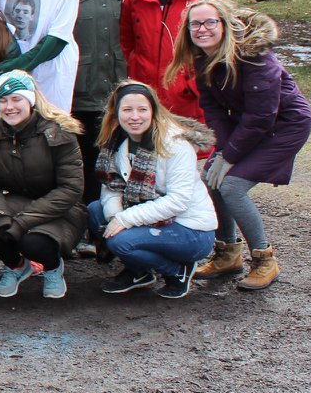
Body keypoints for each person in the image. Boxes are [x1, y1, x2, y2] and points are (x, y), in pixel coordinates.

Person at [171, 0, 311, 291]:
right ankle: (228, 254)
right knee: (211, 179)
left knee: (233, 187)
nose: (202, 29)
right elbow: (213, 109)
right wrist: (222, 150)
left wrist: (232, 156)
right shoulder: (203, 58)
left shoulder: (254, 57)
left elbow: (262, 115)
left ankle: (264, 259)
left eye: (210, 22)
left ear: (224, 24)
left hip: (285, 125)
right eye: (195, 24)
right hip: (248, 126)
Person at [90, 82, 217, 298]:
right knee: (96, 211)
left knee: (120, 241)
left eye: (142, 109)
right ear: (116, 112)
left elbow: (178, 201)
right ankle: (139, 271)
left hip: (189, 228)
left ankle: (178, 271)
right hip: (150, 218)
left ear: (154, 111)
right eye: (127, 110)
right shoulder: (117, 143)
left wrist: (125, 220)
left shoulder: (174, 145)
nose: (134, 117)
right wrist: (115, 217)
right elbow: (110, 189)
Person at [0, 72, 87, 299]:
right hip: (19, 200)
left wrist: (22, 222)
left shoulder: (57, 132)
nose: (9, 107)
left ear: (30, 100)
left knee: (33, 241)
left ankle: (53, 268)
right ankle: (17, 265)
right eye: (3, 100)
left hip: (62, 208)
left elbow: (71, 188)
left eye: (16, 99)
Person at [119, 0, 226, 122]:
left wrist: (193, 82)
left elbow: (219, 43)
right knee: (150, 150)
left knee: (192, 150)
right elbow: (126, 39)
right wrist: (136, 69)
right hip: (146, 94)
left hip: (188, 97)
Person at [56, 0, 126, 211]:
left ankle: (102, 222)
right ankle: (78, 221)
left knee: (109, 156)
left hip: (112, 82)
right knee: (79, 158)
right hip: (77, 86)